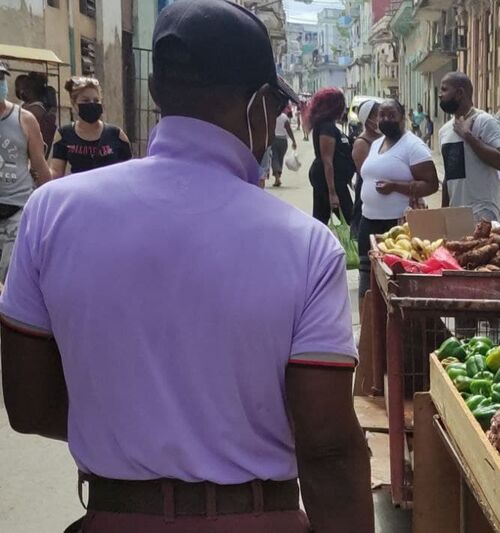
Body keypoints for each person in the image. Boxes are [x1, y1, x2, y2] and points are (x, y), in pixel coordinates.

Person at [0, 1, 374, 531]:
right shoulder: (305, 246)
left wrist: (137, 436)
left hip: (114, 517)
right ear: (261, 106)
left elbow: (29, 406)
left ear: (156, 92)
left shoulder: (51, 213)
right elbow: (329, 448)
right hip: (258, 519)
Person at [358, 99, 439, 301]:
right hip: (367, 222)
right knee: (367, 285)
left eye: (391, 115)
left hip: (397, 226)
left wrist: (396, 187)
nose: (385, 119)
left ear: (402, 118)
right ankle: (370, 329)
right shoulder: (377, 143)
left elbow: (431, 184)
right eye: (382, 115)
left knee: (394, 285)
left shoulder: (413, 146)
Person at [0, 61, 52, 282]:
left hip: (18, 211)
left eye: (1, 79)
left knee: (11, 278)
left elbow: (40, 167)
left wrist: (49, 209)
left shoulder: (24, 119)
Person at [439, 72, 500, 222]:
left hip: (483, 210)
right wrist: (442, 213)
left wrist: (467, 135)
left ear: (459, 93)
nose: (440, 95)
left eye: (444, 90)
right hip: (456, 212)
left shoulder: (485, 121)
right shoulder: (444, 130)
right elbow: (448, 176)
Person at [50, 77, 132, 177]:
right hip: (79, 191)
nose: (92, 104)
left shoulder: (117, 135)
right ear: (74, 103)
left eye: (96, 100)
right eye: (85, 100)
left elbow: (129, 172)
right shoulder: (64, 134)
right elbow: (56, 173)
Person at [308, 87, 355, 224]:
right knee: (350, 219)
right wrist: (332, 193)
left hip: (332, 179)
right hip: (330, 180)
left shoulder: (328, 126)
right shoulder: (327, 128)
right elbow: (327, 161)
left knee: (320, 218)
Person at [351, 98, 381, 237]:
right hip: (368, 194)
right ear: (368, 119)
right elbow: (364, 173)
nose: (381, 119)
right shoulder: (362, 143)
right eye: (378, 115)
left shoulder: (382, 139)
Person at [14, 71, 57, 154]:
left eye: (23, 89)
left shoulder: (35, 110)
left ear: (29, 90)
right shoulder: (28, 106)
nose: (21, 92)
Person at [271, 107, 297, 187]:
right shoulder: (284, 117)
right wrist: (293, 140)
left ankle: (277, 178)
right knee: (280, 158)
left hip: (273, 139)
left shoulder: (272, 116)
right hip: (283, 141)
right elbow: (289, 129)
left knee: (274, 158)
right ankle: (278, 177)